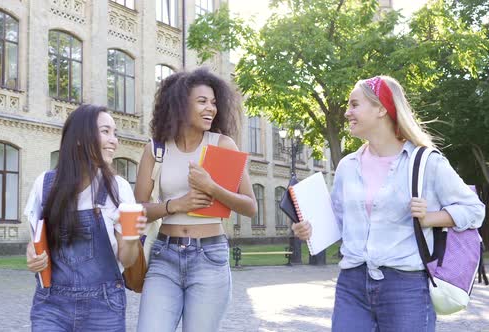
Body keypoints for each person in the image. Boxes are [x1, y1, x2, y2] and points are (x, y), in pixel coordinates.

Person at [293, 75, 485, 331]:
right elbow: (339, 221)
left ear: (381, 108)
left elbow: (474, 210)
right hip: (352, 284)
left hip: (406, 287)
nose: (347, 112)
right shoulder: (347, 166)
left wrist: (430, 217)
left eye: (354, 104)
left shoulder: (426, 162)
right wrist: (309, 229)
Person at [134, 68, 257, 332]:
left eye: (213, 103)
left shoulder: (221, 145)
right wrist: (174, 206)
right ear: (180, 105)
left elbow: (250, 206)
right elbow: (138, 210)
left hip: (209, 257)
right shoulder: (156, 149)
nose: (210, 108)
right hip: (164, 256)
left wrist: (211, 187)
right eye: (202, 101)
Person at [24, 104, 146, 331]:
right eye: (105, 131)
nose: (114, 141)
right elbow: (36, 241)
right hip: (52, 304)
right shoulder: (46, 184)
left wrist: (131, 239)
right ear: (80, 138)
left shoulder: (117, 188)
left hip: (104, 305)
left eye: (115, 133)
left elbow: (127, 260)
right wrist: (32, 254)